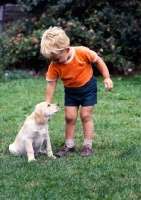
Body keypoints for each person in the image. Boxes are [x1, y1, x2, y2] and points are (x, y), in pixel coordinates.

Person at [40, 26, 113, 157]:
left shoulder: (82, 52)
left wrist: (106, 77)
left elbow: (98, 61)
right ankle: (69, 145)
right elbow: (51, 84)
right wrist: (47, 105)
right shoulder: (55, 65)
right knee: (69, 117)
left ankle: (87, 146)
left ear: (67, 50)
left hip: (88, 88)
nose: (54, 62)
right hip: (71, 92)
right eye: (52, 60)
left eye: (56, 58)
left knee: (85, 116)